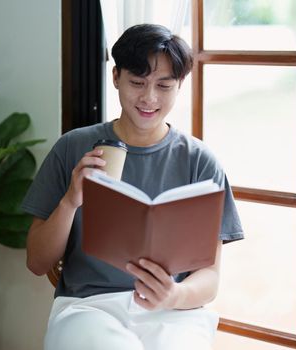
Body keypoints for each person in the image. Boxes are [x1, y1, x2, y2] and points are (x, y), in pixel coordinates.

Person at [22, 23, 244, 350]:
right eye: (137, 82)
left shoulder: (199, 161)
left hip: (173, 311)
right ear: (116, 77)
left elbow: (209, 279)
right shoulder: (72, 148)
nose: (149, 98)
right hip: (89, 309)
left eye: (164, 85)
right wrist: (71, 200)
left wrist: (174, 294)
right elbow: (37, 262)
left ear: (180, 85)